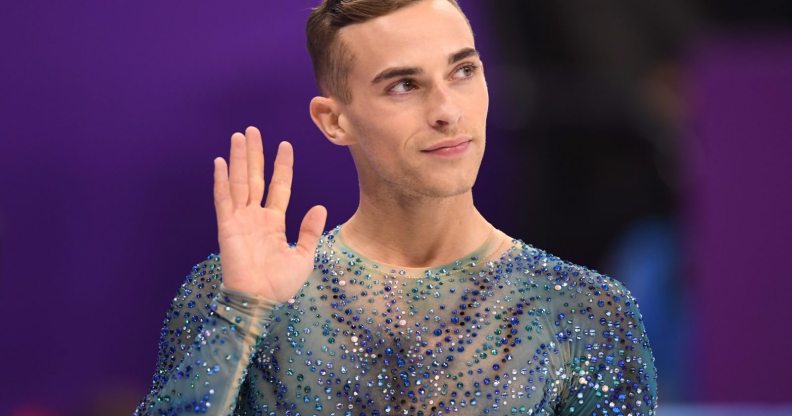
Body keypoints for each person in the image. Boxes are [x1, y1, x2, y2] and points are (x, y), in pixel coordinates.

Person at [135, 0, 658, 414]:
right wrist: (242, 315)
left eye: (463, 71)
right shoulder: (240, 294)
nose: (448, 111)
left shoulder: (584, 310)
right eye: (404, 85)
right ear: (333, 121)